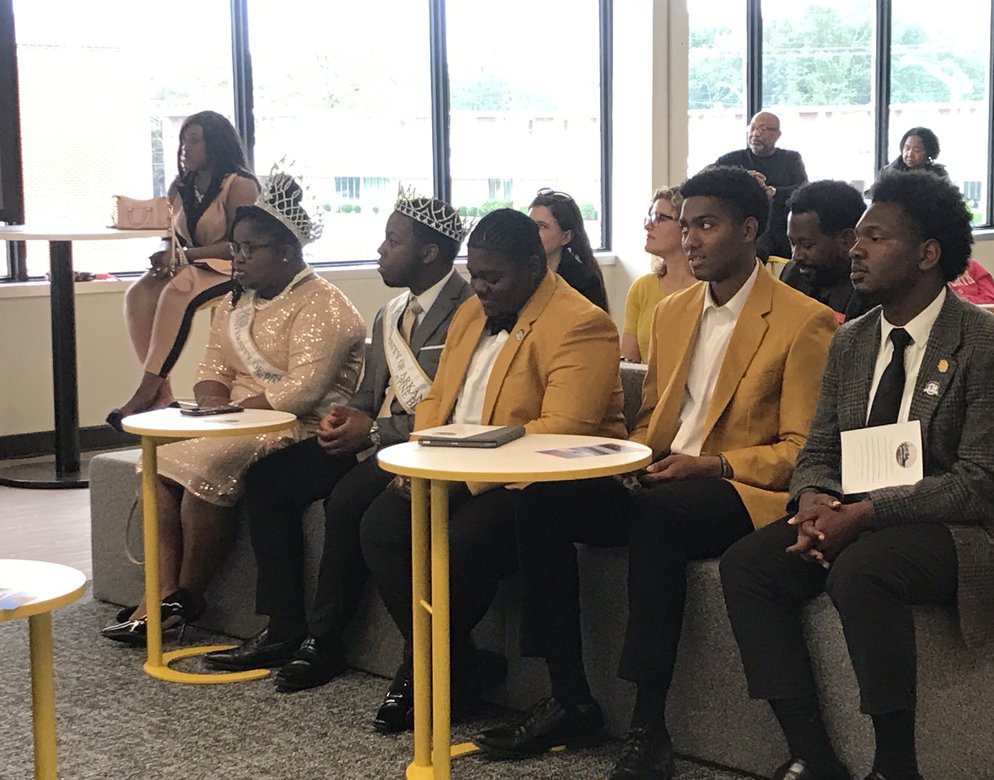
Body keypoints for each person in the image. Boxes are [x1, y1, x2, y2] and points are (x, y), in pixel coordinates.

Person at [473, 166, 837, 780]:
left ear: (749, 231)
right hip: (667, 475)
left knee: (659, 517)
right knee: (544, 501)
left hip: (737, 488)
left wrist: (713, 466)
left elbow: (801, 451)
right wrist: (626, 461)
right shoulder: (672, 312)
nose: (690, 240)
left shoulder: (803, 322)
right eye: (686, 224)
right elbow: (652, 423)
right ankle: (570, 698)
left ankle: (647, 727)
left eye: (705, 225)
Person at [718, 171, 994, 780]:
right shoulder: (853, 339)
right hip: (861, 515)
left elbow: (982, 484)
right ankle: (812, 759)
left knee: (862, 567)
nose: (857, 248)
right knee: (749, 565)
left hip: (968, 531)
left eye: (876, 235)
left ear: (927, 253)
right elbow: (819, 448)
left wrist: (861, 517)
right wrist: (813, 500)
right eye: (858, 236)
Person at [358, 208, 626, 734]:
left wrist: (462, 477)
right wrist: (423, 457)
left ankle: (423, 670)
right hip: (462, 463)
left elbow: (563, 431)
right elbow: (439, 399)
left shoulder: (581, 322)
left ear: (534, 266)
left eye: (492, 277)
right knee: (381, 527)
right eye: (475, 275)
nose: (479, 288)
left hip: (540, 479)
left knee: (461, 544)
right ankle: (457, 667)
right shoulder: (472, 313)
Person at [202, 190, 473, 683]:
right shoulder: (389, 313)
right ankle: (287, 627)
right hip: (381, 441)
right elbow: (369, 394)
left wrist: (370, 429)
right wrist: (346, 419)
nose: (380, 249)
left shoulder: (470, 310)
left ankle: (329, 641)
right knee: (270, 479)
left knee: (347, 503)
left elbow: (464, 407)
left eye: (393, 240)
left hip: (430, 446)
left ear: (429, 252)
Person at [101, 169, 366, 644]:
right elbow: (211, 370)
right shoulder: (234, 302)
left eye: (249, 249)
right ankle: (163, 595)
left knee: (206, 462)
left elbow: (300, 393)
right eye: (235, 248)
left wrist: (227, 420)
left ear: (286, 250)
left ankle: (189, 594)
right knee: (156, 461)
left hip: (298, 428)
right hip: (236, 419)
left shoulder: (326, 306)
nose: (237, 258)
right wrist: (212, 408)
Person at [109, 111, 259, 428]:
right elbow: (171, 237)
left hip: (232, 268)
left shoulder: (240, 185)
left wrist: (185, 257)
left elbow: (240, 244)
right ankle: (162, 393)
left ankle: (143, 393)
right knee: (141, 291)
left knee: (180, 289)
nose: (185, 149)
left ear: (215, 144)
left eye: (193, 141)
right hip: (192, 264)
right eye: (183, 141)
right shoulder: (180, 186)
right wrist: (166, 256)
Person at [715, 110, 808, 258]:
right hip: (747, 225)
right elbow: (707, 180)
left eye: (763, 129)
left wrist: (771, 192)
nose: (755, 134)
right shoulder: (732, 160)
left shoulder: (790, 159)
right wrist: (744, 179)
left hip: (783, 226)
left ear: (778, 134)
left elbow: (803, 189)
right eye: (752, 128)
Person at [621, 186, 697, 362]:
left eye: (658, 218)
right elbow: (629, 365)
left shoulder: (711, 288)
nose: (648, 225)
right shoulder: (642, 288)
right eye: (649, 217)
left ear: (684, 226)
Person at [779, 179, 870, 323]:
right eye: (792, 243)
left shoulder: (870, 292)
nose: (796, 256)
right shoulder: (793, 274)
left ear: (847, 240)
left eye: (807, 245)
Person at [527, 188, 609, 311]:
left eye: (541, 226)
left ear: (566, 237)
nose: (531, 232)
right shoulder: (518, 272)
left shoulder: (584, 281)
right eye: (528, 223)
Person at [882, 127, 949, 179]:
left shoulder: (939, 175)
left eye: (917, 150)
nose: (910, 154)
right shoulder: (889, 173)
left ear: (929, 152)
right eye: (907, 149)